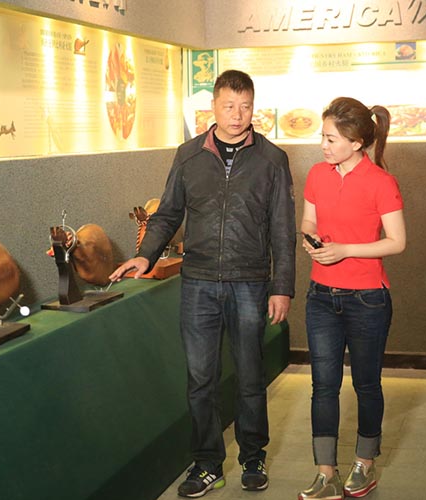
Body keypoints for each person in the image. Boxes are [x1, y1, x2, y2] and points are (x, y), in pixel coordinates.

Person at [109, 69, 296, 497]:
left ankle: (253, 457)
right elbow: (167, 214)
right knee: (200, 379)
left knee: (250, 375)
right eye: (229, 106)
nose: (237, 115)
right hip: (198, 283)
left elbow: (283, 229)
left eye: (245, 106)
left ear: (254, 107)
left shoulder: (272, 160)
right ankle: (208, 464)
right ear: (213, 106)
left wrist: (281, 286)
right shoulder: (188, 155)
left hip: (250, 281)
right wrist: (145, 254)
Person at [297, 97, 406, 500]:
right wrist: (310, 237)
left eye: (331, 139)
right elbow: (308, 218)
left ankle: (365, 463)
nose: (323, 145)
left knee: (366, 385)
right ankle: (325, 473)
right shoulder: (317, 174)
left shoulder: (381, 182)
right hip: (320, 297)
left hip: (368, 300)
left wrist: (345, 250)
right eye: (322, 136)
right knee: (323, 386)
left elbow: (397, 242)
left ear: (356, 142)